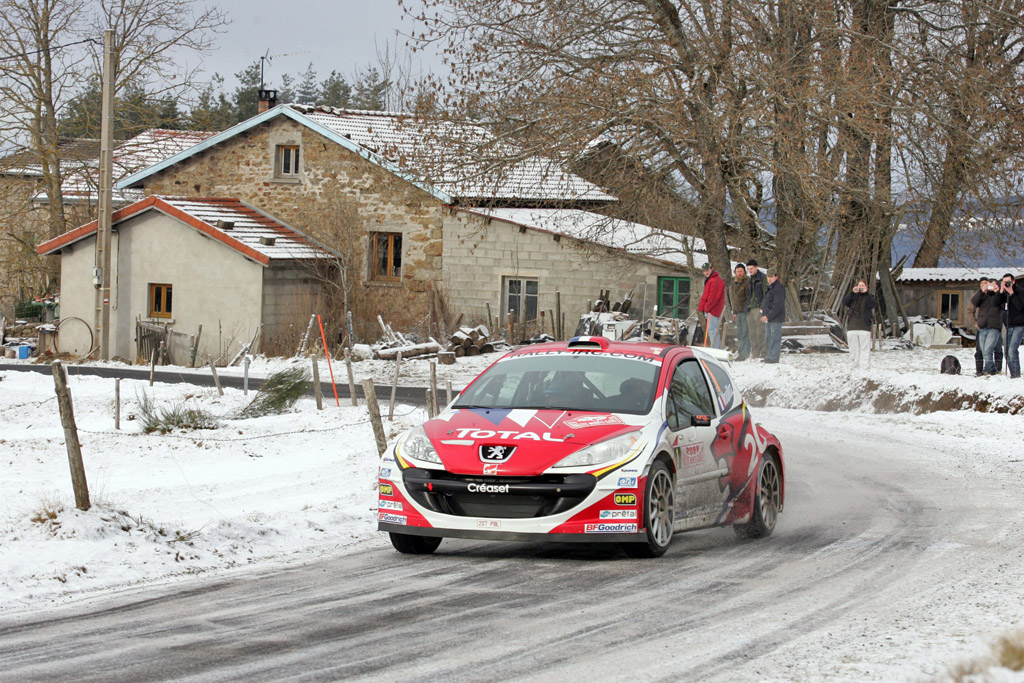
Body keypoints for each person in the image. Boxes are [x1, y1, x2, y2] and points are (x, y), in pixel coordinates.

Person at [970, 277, 1007, 375]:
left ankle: (988, 369)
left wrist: (998, 292)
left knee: (988, 349)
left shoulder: (1001, 296)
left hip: (994, 327)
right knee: (982, 350)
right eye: (989, 285)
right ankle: (992, 369)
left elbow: (1002, 303)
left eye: (993, 285)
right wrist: (982, 291)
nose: (990, 287)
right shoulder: (983, 296)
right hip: (982, 326)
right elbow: (974, 302)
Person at [841, 279, 878, 370]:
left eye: (863, 286)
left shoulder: (869, 297)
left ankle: (864, 366)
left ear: (866, 287)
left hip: (864, 327)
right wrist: (852, 293)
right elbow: (845, 302)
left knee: (864, 348)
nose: (861, 288)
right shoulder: (853, 297)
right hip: (852, 327)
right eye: (859, 286)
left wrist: (867, 293)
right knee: (853, 348)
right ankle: (854, 364)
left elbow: (873, 304)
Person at [697, 262, 726, 349]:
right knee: (711, 330)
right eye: (704, 271)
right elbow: (706, 296)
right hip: (710, 309)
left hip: (713, 309)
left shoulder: (715, 280)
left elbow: (713, 297)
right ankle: (715, 347)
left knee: (713, 330)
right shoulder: (710, 280)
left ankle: (716, 349)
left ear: (711, 269)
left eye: (707, 270)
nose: (706, 272)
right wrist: (701, 308)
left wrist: (707, 308)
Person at [760, 268, 786, 363]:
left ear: (776, 277)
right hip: (769, 318)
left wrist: (768, 316)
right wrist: (764, 312)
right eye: (768, 277)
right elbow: (767, 302)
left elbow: (778, 306)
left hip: (775, 318)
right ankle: (769, 356)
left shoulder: (779, 288)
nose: (769, 279)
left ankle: (774, 358)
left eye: (771, 277)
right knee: (769, 338)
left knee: (774, 338)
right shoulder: (770, 287)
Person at [746, 259, 768, 358]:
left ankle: (764, 352)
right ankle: (755, 353)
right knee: (752, 332)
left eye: (751, 268)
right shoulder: (750, 279)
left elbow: (766, 293)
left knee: (761, 331)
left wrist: (763, 307)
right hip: (750, 308)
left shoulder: (762, 278)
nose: (750, 271)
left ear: (756, 267)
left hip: (759, 307)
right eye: (748, 269)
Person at [1002, 274, 1023, 378]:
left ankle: (1016, 374)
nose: (1007, 284)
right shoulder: (1003, 294)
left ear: (1013, 282)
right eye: (1004, 281)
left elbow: (1020, 306)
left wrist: (1011, 293)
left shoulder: (1020, 292)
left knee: (1012, 350)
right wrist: (1001, 291)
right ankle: (1012, 373)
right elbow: (996, 303)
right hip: (1008, 325)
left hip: (1019, 325)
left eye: (1008, 281)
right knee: (1006, 351)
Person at [731, 263, 751, 360]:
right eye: (737, 271)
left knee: (744, 333)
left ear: (744, 272)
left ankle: (744, 353)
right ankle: (740, 351)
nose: (739, 273)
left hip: (745, 311)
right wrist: (734, 312)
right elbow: (735, 299)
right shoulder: (735, 283)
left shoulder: (747, 283)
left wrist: (747, 311)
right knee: (739, 333)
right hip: (738, 312)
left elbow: (749, 298)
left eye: (741, 271)